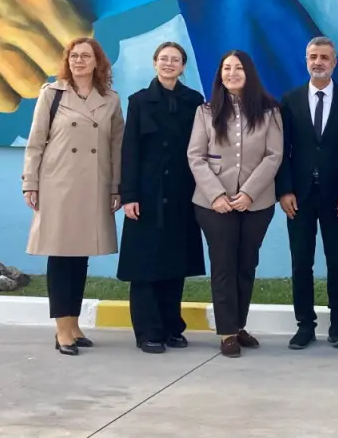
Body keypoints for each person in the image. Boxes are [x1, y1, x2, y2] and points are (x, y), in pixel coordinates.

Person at [21, 36, 124, 356]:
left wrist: (116, 186)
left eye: (85, 56)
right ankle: (62, 331)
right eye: (74, 56)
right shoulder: (51, 94)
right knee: (61, 256)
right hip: (59, 185)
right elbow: (35, 142)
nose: (79, 61)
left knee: (80, 258)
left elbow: (116, 147)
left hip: (94, 185)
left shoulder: (110, 99)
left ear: (97, 62)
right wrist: (30, 182)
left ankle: (74, 325)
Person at [188, 50, 284, 358]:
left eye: (238, 68)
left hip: (256, 203)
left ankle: (239, 324)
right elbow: (195, 157)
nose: (232, 73)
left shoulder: (269, 112)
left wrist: (249, 193)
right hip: (213, 204)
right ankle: (227, 331)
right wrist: (217, 195)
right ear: (219, 74)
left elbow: (274, 156)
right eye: (226, 68)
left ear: (249, 72)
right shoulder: (206, 111)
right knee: (223, 265)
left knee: (246, 264)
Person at [116, 41, 206, 354]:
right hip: (146, 194)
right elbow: (130, 151)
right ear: (155, 63)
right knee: (145, 267)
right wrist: (129, 195)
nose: (169, 64)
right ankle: (147, 332)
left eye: (175, 60)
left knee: (174, 264)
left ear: (183, 66)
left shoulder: (194, 101)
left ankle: (171, 328)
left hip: (181, 194)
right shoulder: (139, 101)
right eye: (164, 59)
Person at [277, 37, 338, 349]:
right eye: (313, 56)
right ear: (306, 61)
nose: (318, 62)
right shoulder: (290, 100)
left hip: (337, 197)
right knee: (301, 262)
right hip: (298, 197)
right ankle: (305, 325)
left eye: (324, 57)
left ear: (334, 62)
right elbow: (281, 150)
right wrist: (284, 190)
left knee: (337, 261)